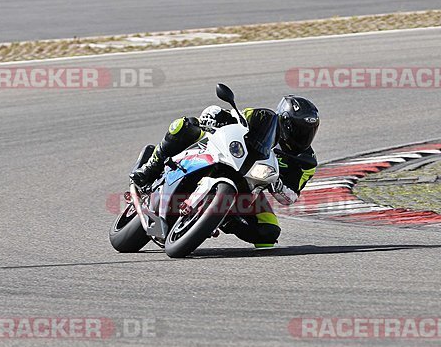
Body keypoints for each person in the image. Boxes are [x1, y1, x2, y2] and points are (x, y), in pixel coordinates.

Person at [130, 96, 319, 248]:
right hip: (227, 157)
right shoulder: (260, 118)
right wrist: (214, 113)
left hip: (252, 186)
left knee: (268, 234)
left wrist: (278, 185)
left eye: (309, 131)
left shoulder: (307, 162)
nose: (303, 136)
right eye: (299, 129)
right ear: (285, 123)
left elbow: (291, 197)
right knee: (185, 125)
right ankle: (150, 168)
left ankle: (221, 219)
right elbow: (233, 117)